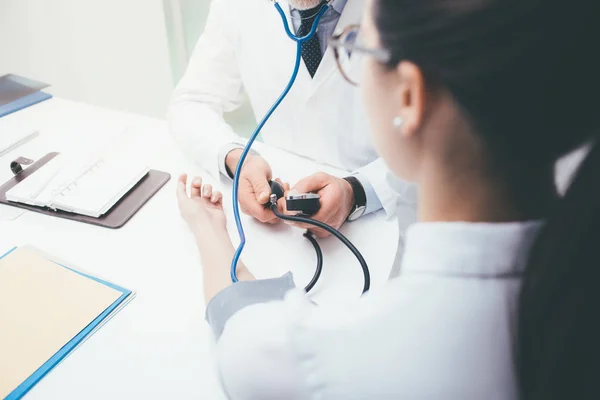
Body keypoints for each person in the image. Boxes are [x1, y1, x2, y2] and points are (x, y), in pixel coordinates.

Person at [176, 0, 600, 398]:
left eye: (356, 45)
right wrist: (236, 157)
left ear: (409, 96)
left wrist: (208, 228)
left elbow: (243, 339)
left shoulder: (326, 356)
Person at [168, 0, 417, 237]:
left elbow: (447, 143)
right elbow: (191, 103)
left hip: (391, 219)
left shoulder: (418, 11)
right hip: (280, 230)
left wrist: (357, 192)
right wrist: (238, 158)